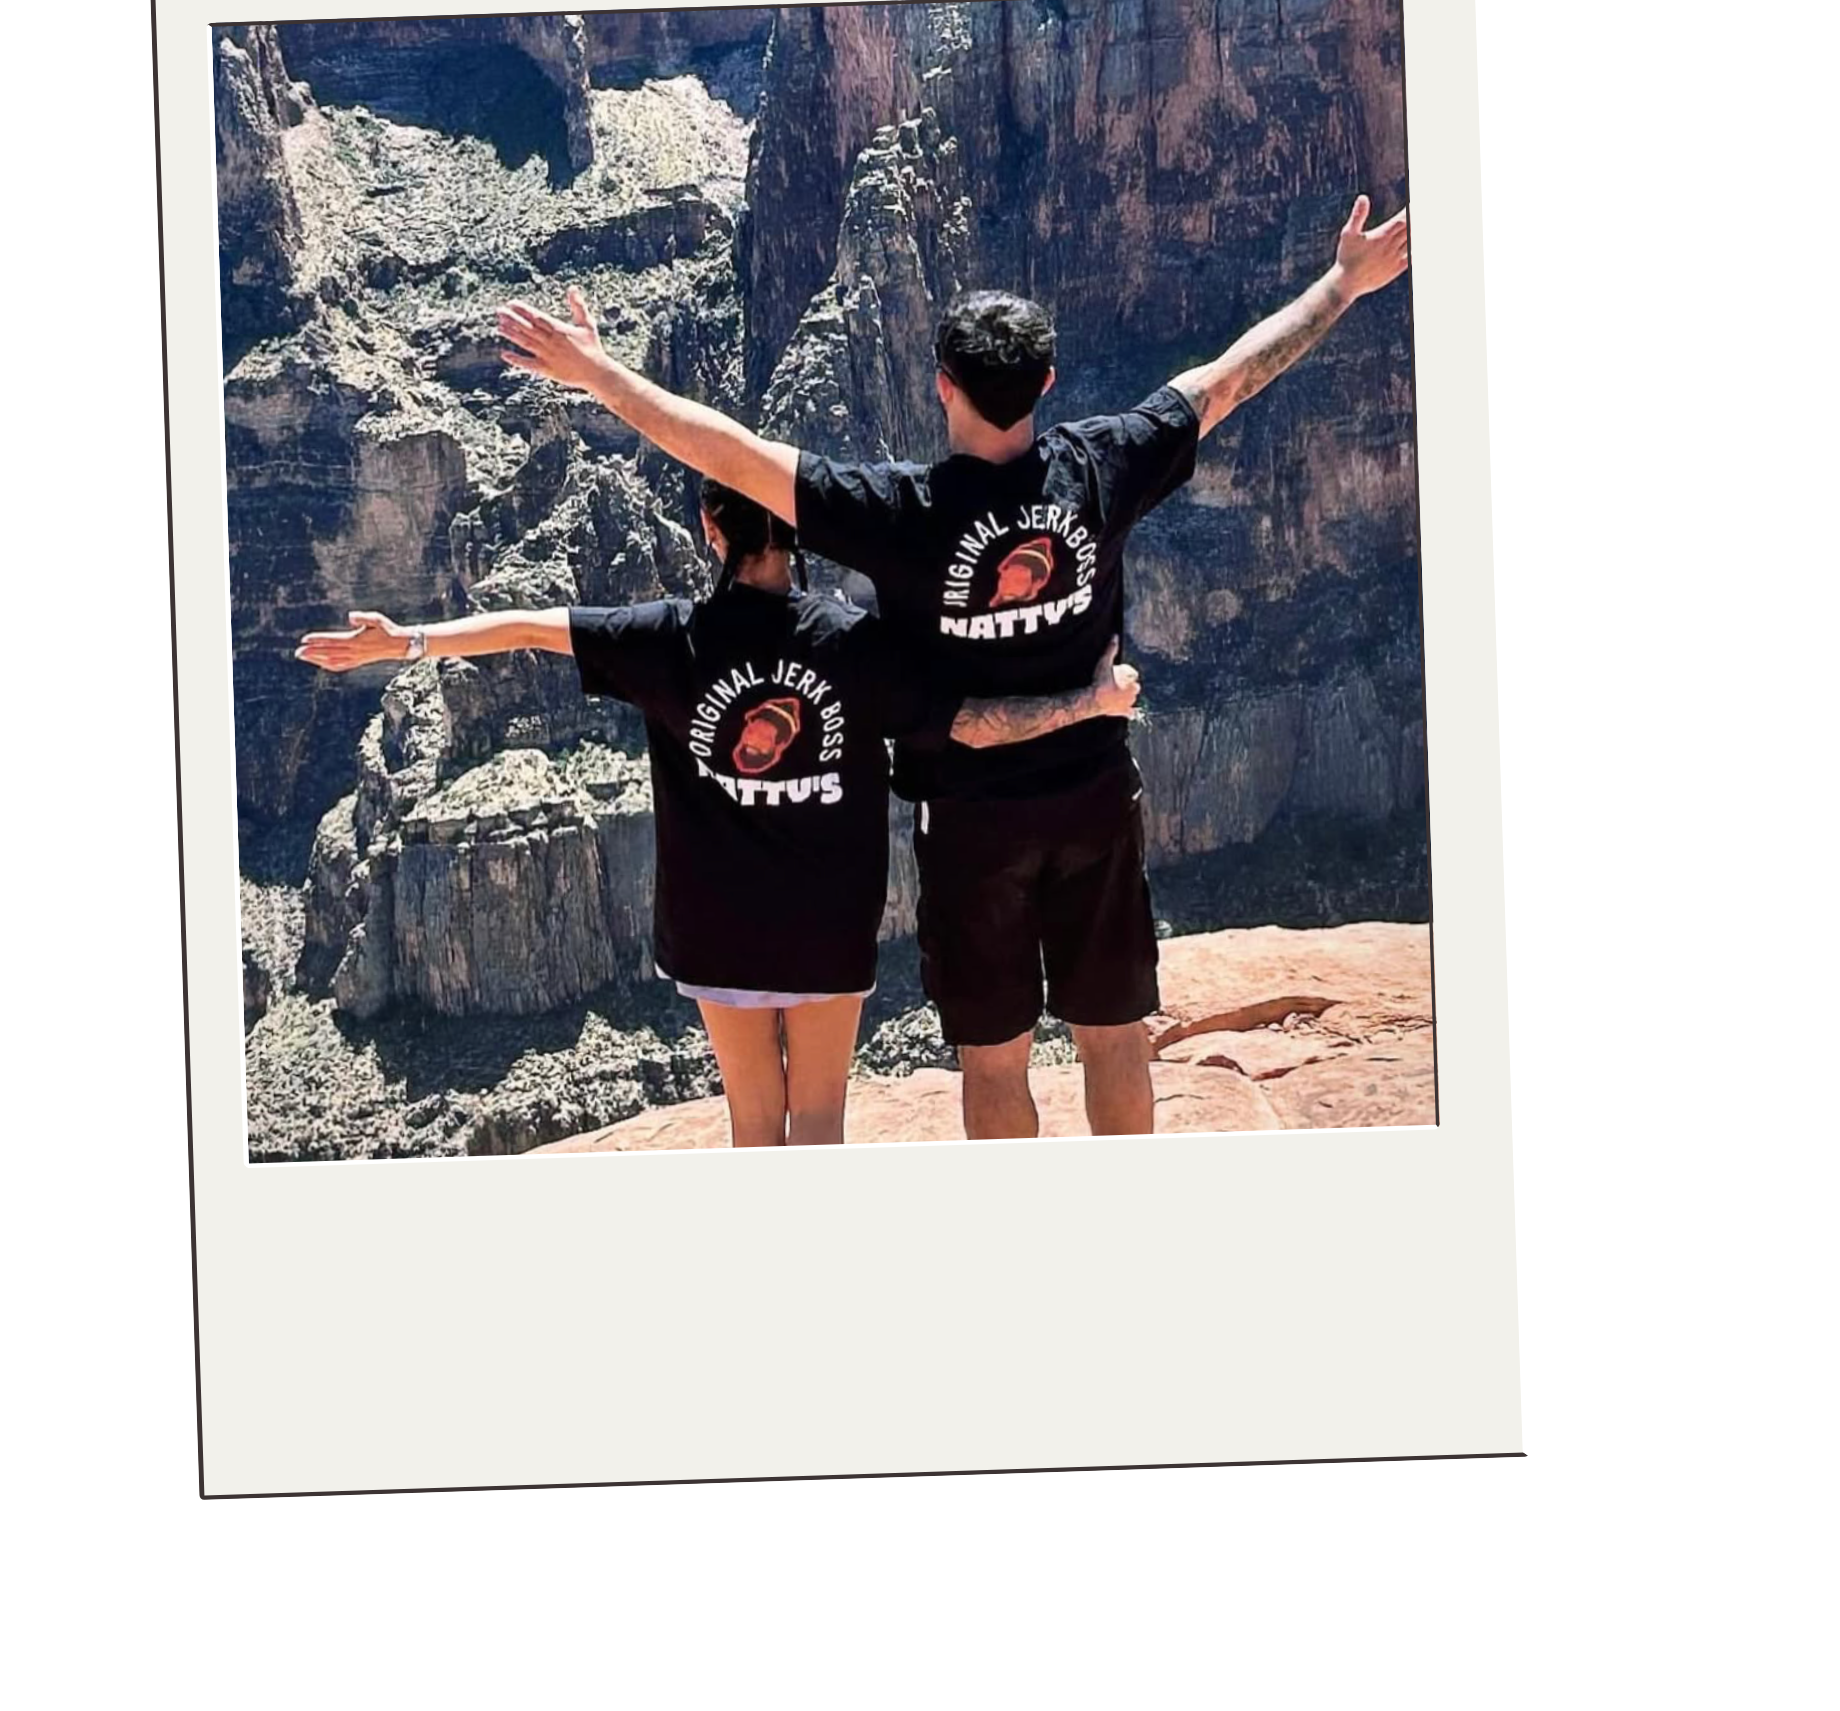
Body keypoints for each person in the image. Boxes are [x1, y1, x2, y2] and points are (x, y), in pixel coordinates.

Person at [495, 194, 1412, 1140]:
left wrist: (600, 377)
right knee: (1115, 1036)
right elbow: (1229, 381)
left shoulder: (900, 514)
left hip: (973, 828)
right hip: (1096, 799)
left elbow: (729, 452)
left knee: (993, 1058)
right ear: (1048, 380)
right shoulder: (1103, 466)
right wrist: (1344, 282)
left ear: (941, 385)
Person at [296, 480, 1142, 1148]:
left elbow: (528, 629)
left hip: (717, 932)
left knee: (753, 1129)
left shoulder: (668, 637)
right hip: (828, 930)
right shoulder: (854, 644)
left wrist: (406, 640)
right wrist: (1089, 702)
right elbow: (972, 721)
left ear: (710, 526)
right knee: (818, 1125)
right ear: (797, 534)